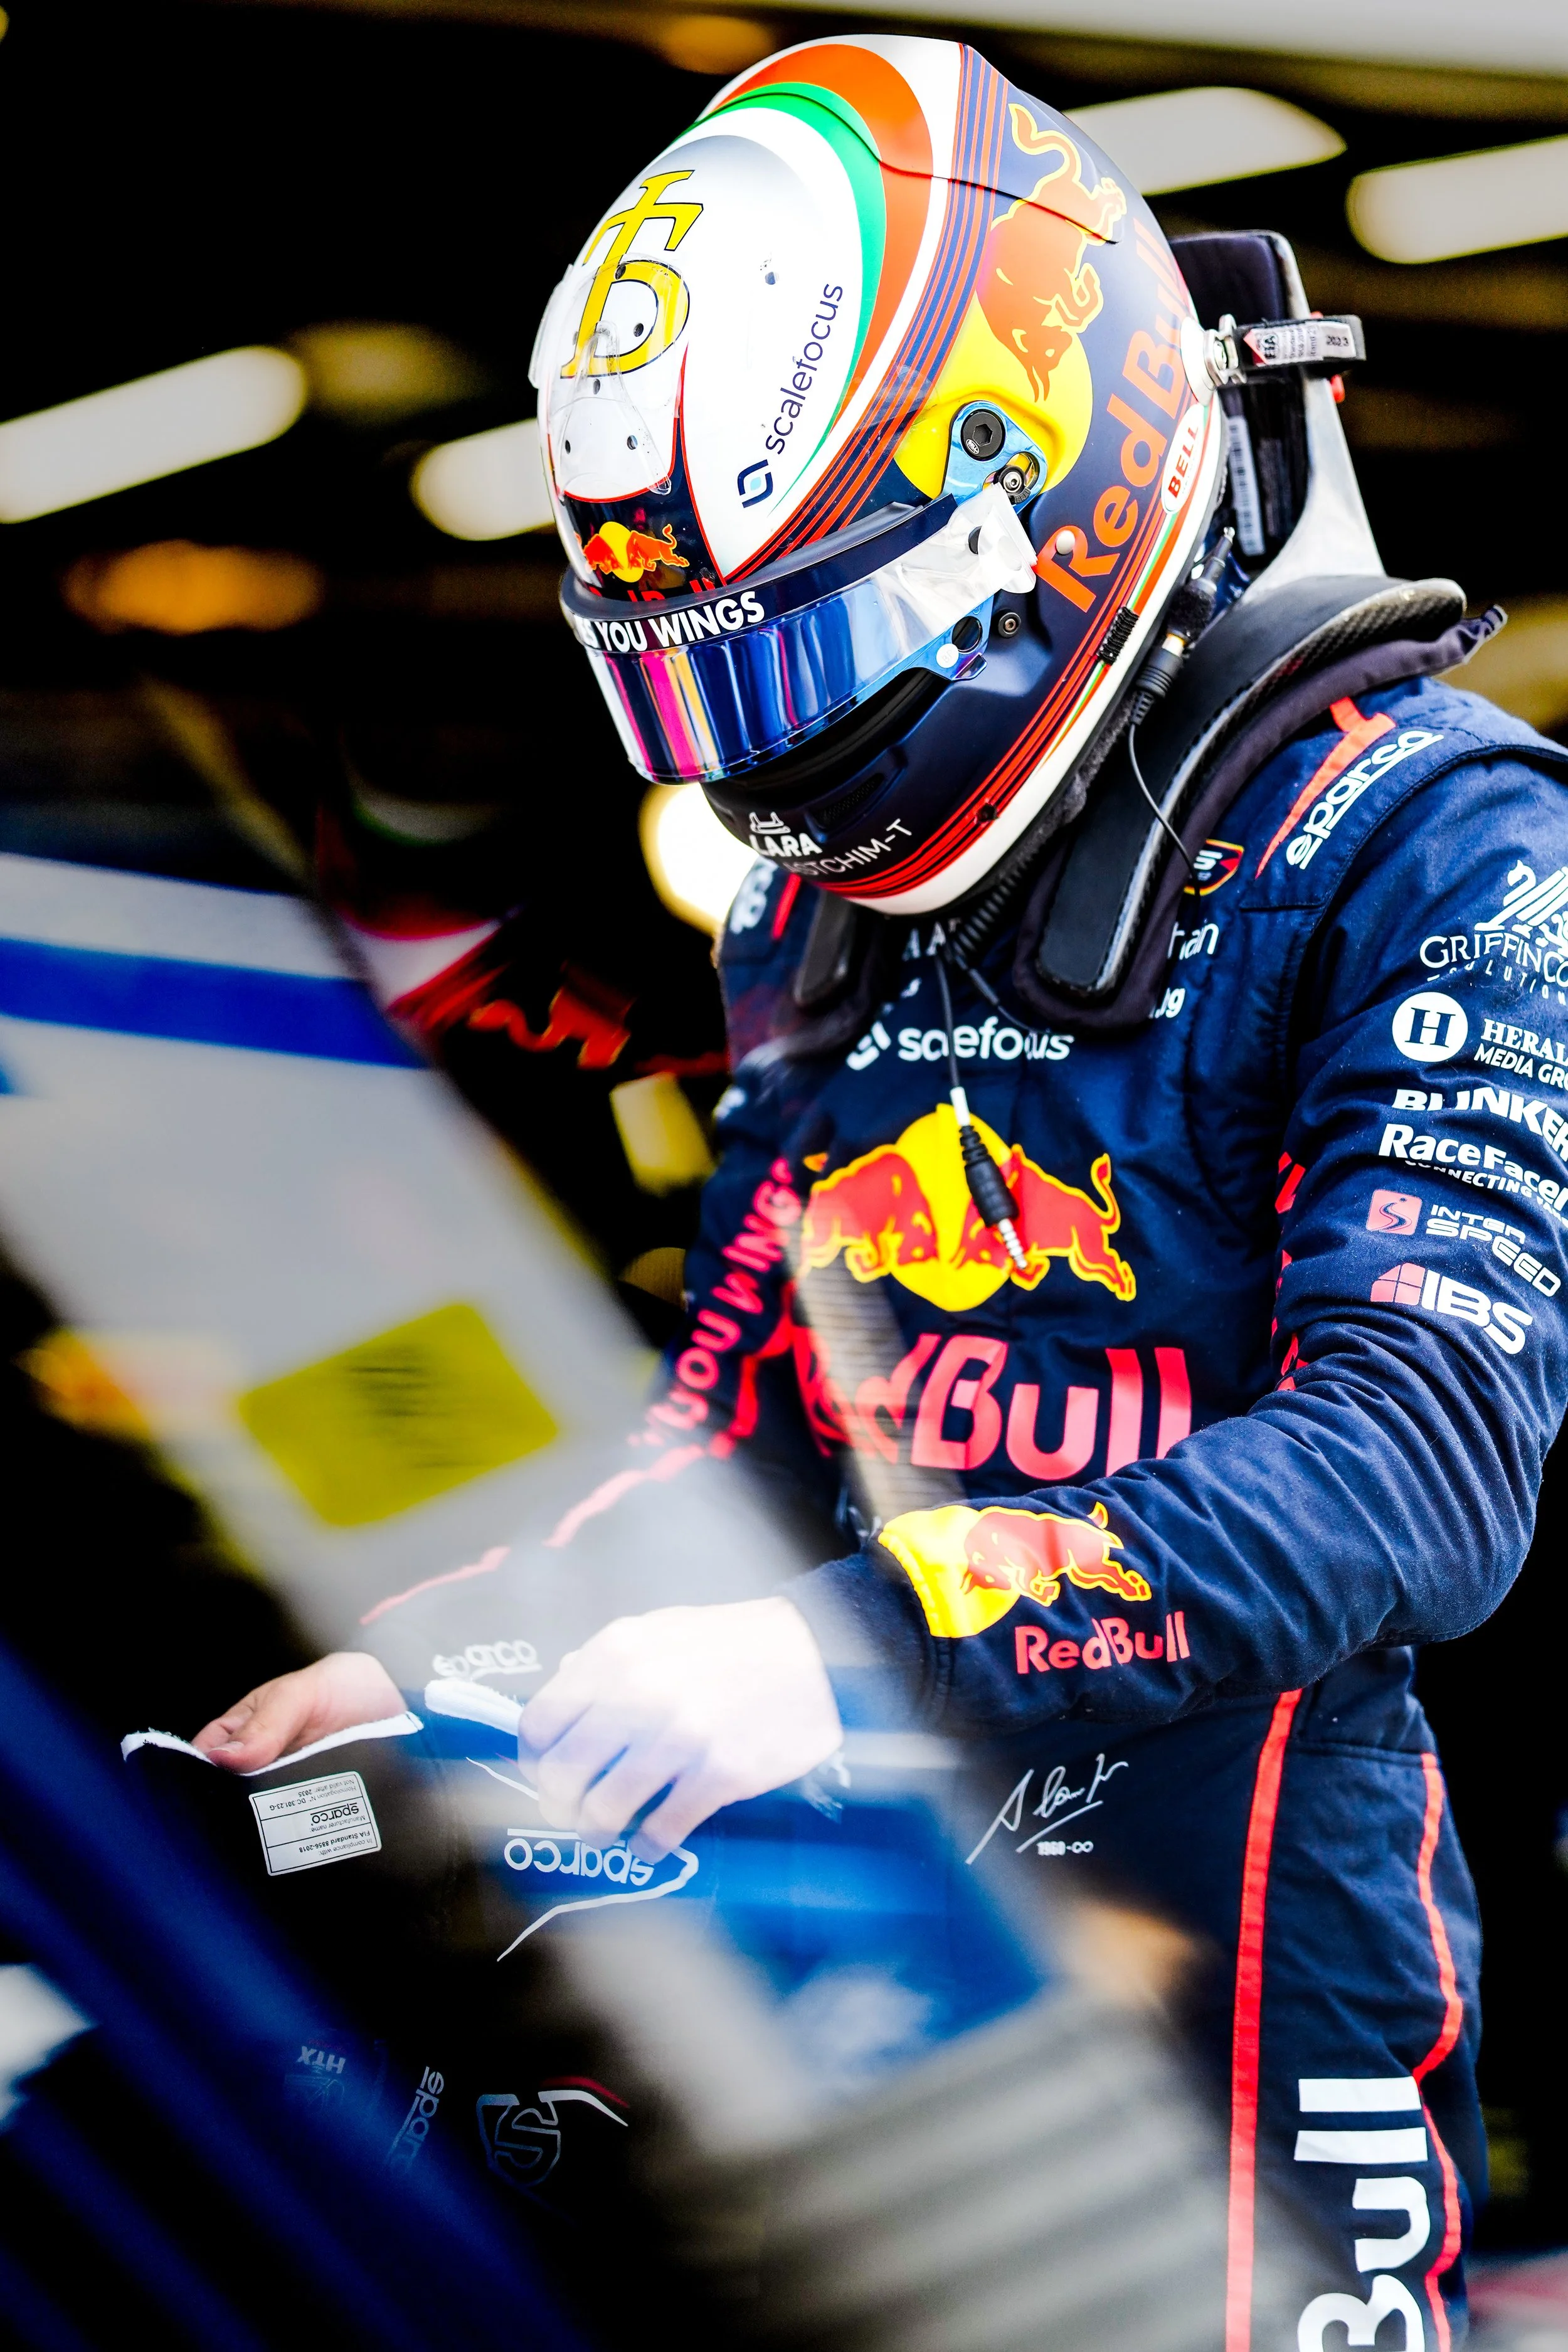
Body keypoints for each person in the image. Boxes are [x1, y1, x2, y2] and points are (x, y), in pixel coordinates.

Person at [196, 34, 1568, 2346]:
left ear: (1047, 498)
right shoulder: (818, 906)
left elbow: (1418, 1466)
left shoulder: (1440, 846)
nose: (768, 764)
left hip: (1229, 1992)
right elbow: (731, 1419)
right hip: (845, 1959)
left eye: (815, 648)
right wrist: (430, 1660)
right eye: (699, 684)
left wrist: (837, 1652)